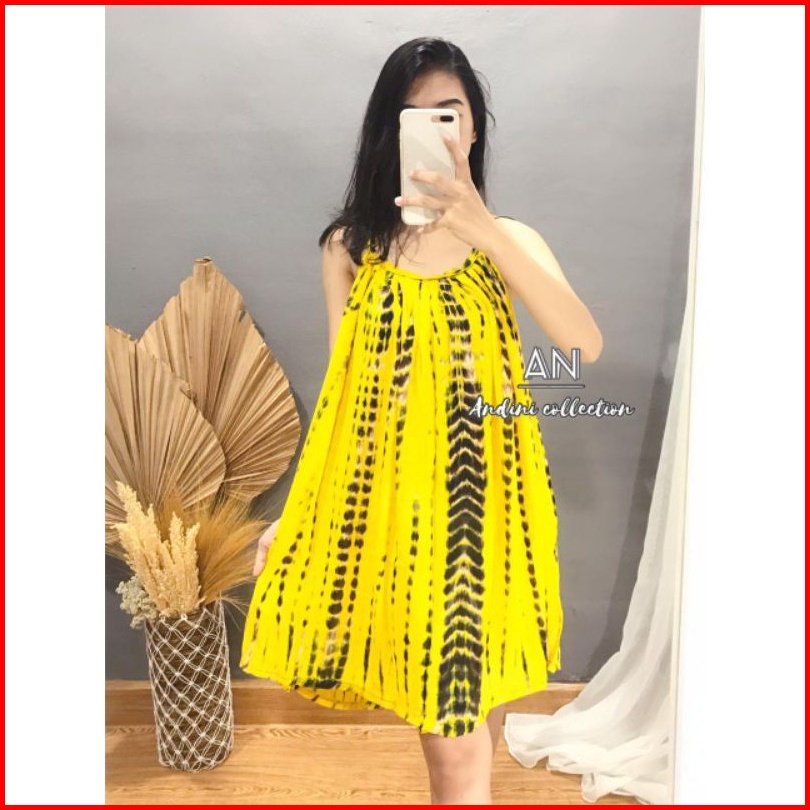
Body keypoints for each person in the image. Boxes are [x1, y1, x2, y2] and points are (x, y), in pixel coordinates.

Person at [240, 37, 603, 805]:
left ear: (473, 128)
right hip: (400, 525)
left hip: (489, 522)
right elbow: (345, 404)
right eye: (416, 116)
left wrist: (484, 229)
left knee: (468, 746)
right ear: (389, 131)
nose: (437, 128)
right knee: (455, 754)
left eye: (450, 113)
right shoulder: (353, 250)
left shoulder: (509, 243)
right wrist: (296, 516)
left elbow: (584, 344)